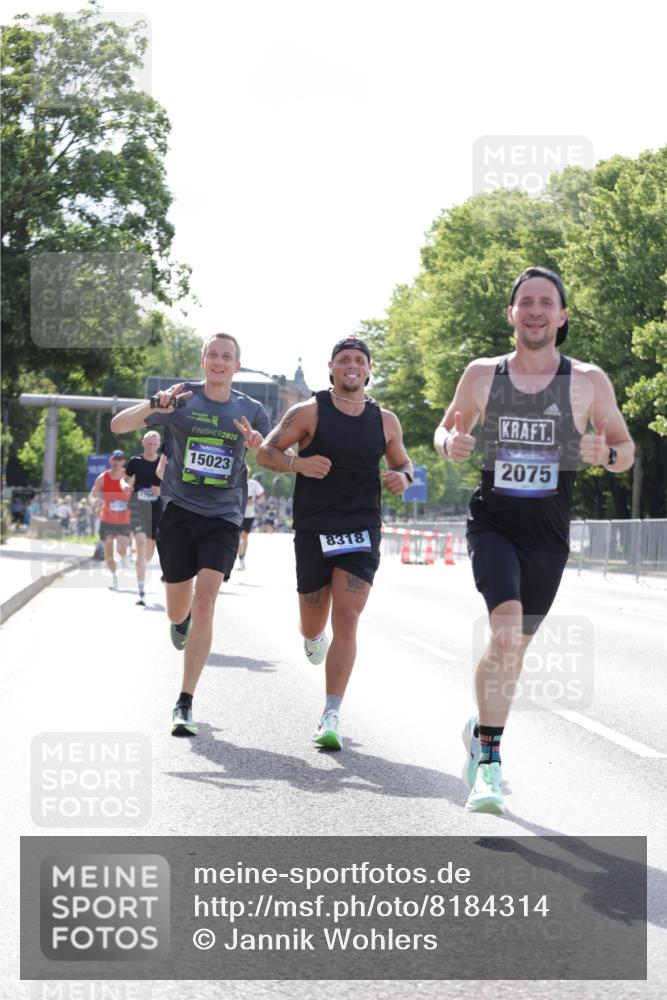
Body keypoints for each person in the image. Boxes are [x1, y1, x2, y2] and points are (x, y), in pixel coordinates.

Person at [434, 266, 635, 814]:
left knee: (514, 650)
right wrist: (449, 441)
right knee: (504, 635)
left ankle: (480, 727)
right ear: (512, 314)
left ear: (562, 315)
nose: (536, 311)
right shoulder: (483, 374)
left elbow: (624, 448)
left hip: (548, 538)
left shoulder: (587, 381)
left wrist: (607, 455)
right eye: (526, 302)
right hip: (494, 524)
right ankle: (490, 767)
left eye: (546, 302)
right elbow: (447, 426)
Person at [256, 336, 413, 751]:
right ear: (331, 367)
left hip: (361, 526)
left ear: (369, 369)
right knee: (313, 623)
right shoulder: (308, 411)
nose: (352, 365)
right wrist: (297, 463)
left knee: (347, 617)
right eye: (344, 359)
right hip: (314, 526)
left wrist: (405, 478)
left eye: (359, 360)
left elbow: (403, 462)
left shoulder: (385, 421)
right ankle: (312, 637)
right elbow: (266, 453)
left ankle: (331, 712)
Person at [110, 332, 270, 736]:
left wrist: (258, 445)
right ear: (203, 361)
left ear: (237, 365)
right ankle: (177, 623)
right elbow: (117, 425)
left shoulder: (251, 409)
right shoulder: (181, 400)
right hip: (179, 513)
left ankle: (185, 701)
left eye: (227, 356)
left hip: (224, 516)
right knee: (178, 611)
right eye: (212, 355)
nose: (219, 362)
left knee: (206, 603)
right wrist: (153, 405)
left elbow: (273, 454)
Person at [124, 430, 163, 605]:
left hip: (156, 509)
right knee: (140, 544)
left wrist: (161, 490)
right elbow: (124, 480)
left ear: (159, 445)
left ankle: (141, 564)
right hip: (137, 507)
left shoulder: (163, 462)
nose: (152, 447)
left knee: (149, 550)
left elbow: (172, 484)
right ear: (143, 443)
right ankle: (141, 591)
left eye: (155, 444)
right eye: (149, 444)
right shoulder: (135, 462)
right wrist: (126, 486)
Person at [89, 450, 132, 590]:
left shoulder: (129, 476)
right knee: (108, 553)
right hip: (107, 519)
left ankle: (125, 557)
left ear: (123, 462)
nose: (116, 462)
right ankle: (115, 578)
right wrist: (94, 500)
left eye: (119, 459)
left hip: (124, 520)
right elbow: (93, 494)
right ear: (110, 460)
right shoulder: (103, 477)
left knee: (121, 548)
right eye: (114, 459)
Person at [237, 476, 264, 570]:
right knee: (238, 538)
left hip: (249, 515)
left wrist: (254, 501)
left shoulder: (253, 484)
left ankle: (242, 559)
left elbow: (262, 498)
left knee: (244, 538)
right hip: (236, 514)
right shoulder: (235, 480)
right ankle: (240, 560)